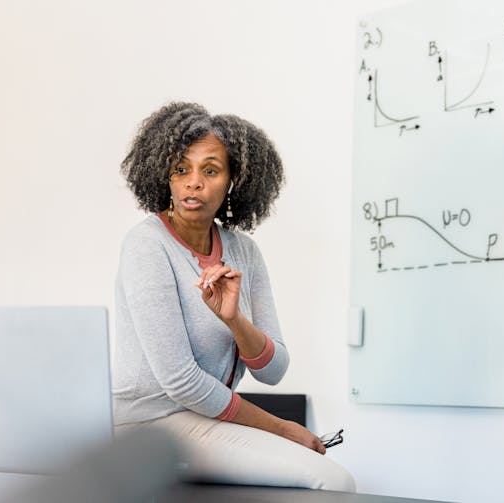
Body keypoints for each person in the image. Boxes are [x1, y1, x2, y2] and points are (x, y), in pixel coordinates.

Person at [112, 102, 355, 491]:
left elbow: (272, 370)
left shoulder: (244, 252)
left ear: (233, 180)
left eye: (210, 170)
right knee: (332, 481)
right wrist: (282, 429)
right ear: (165, 176)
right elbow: (181, 382)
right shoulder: (147, 245)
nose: (193, 182)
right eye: (181, 169)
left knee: (332, 478)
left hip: (205, 418)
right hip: (148, 424)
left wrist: (234, 320)